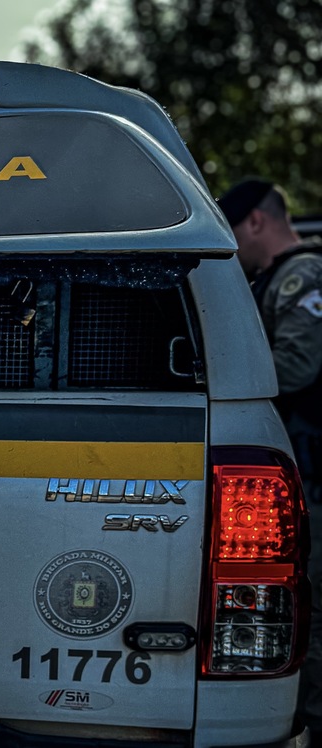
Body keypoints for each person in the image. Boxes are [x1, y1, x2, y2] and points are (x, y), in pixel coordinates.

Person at [218, 178, 322, 739]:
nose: (235, 247)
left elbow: (297, 368)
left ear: (256, 220)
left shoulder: (303, 277)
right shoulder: (276, 281)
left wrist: (220, 375)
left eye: (235, 231)